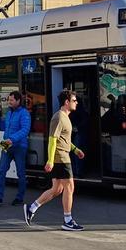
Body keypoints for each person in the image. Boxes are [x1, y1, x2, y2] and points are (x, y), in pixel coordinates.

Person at [23, 89, 86, 231]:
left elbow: (64, 140)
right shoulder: (58, 117)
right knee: (69, 187)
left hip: (63, 155)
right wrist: (50, 160)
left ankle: (31, 208)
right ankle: (68, 220)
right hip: (60, 157)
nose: (77, 103)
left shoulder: (65, 117)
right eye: (75, 100)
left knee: (57, 189)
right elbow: (52, 140)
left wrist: (75, 150)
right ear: (67, 102)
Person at [0, 91, 31, 206]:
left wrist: (12, 139)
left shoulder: (24, 113)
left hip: (19, 146)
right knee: (1, 171)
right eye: (9, 100)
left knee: (20, 173)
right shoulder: (9, 113)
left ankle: (19, 197)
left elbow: (25, 130)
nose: (9, 102)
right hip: (7, 144)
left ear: (18, 101)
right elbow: (4, 127)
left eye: (11, 100)